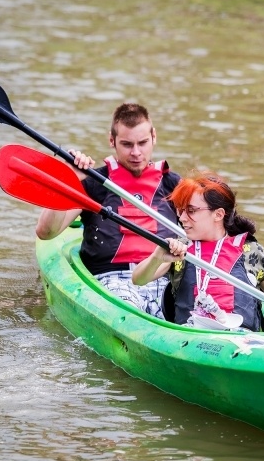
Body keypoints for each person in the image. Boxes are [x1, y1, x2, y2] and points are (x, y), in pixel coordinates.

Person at [36, 103, 181, 319]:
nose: (136, 152)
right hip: (111, 281)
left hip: (162, 279)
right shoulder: (95, 183)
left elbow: (206, 232)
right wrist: (68, 179)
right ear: (112, 141)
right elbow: (46, 232)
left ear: (154, 137)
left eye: (142, 143)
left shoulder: (174, 186)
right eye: (127, 144)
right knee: (133, 315)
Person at [132, 171, 264, 331]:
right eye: (180, 210)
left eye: (191, 210)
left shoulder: (251, 252)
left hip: (243, 341)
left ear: (218, 214)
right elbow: (138, 279)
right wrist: (158, 256)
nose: (182, 218)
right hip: (191, 337)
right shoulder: (180, 248)